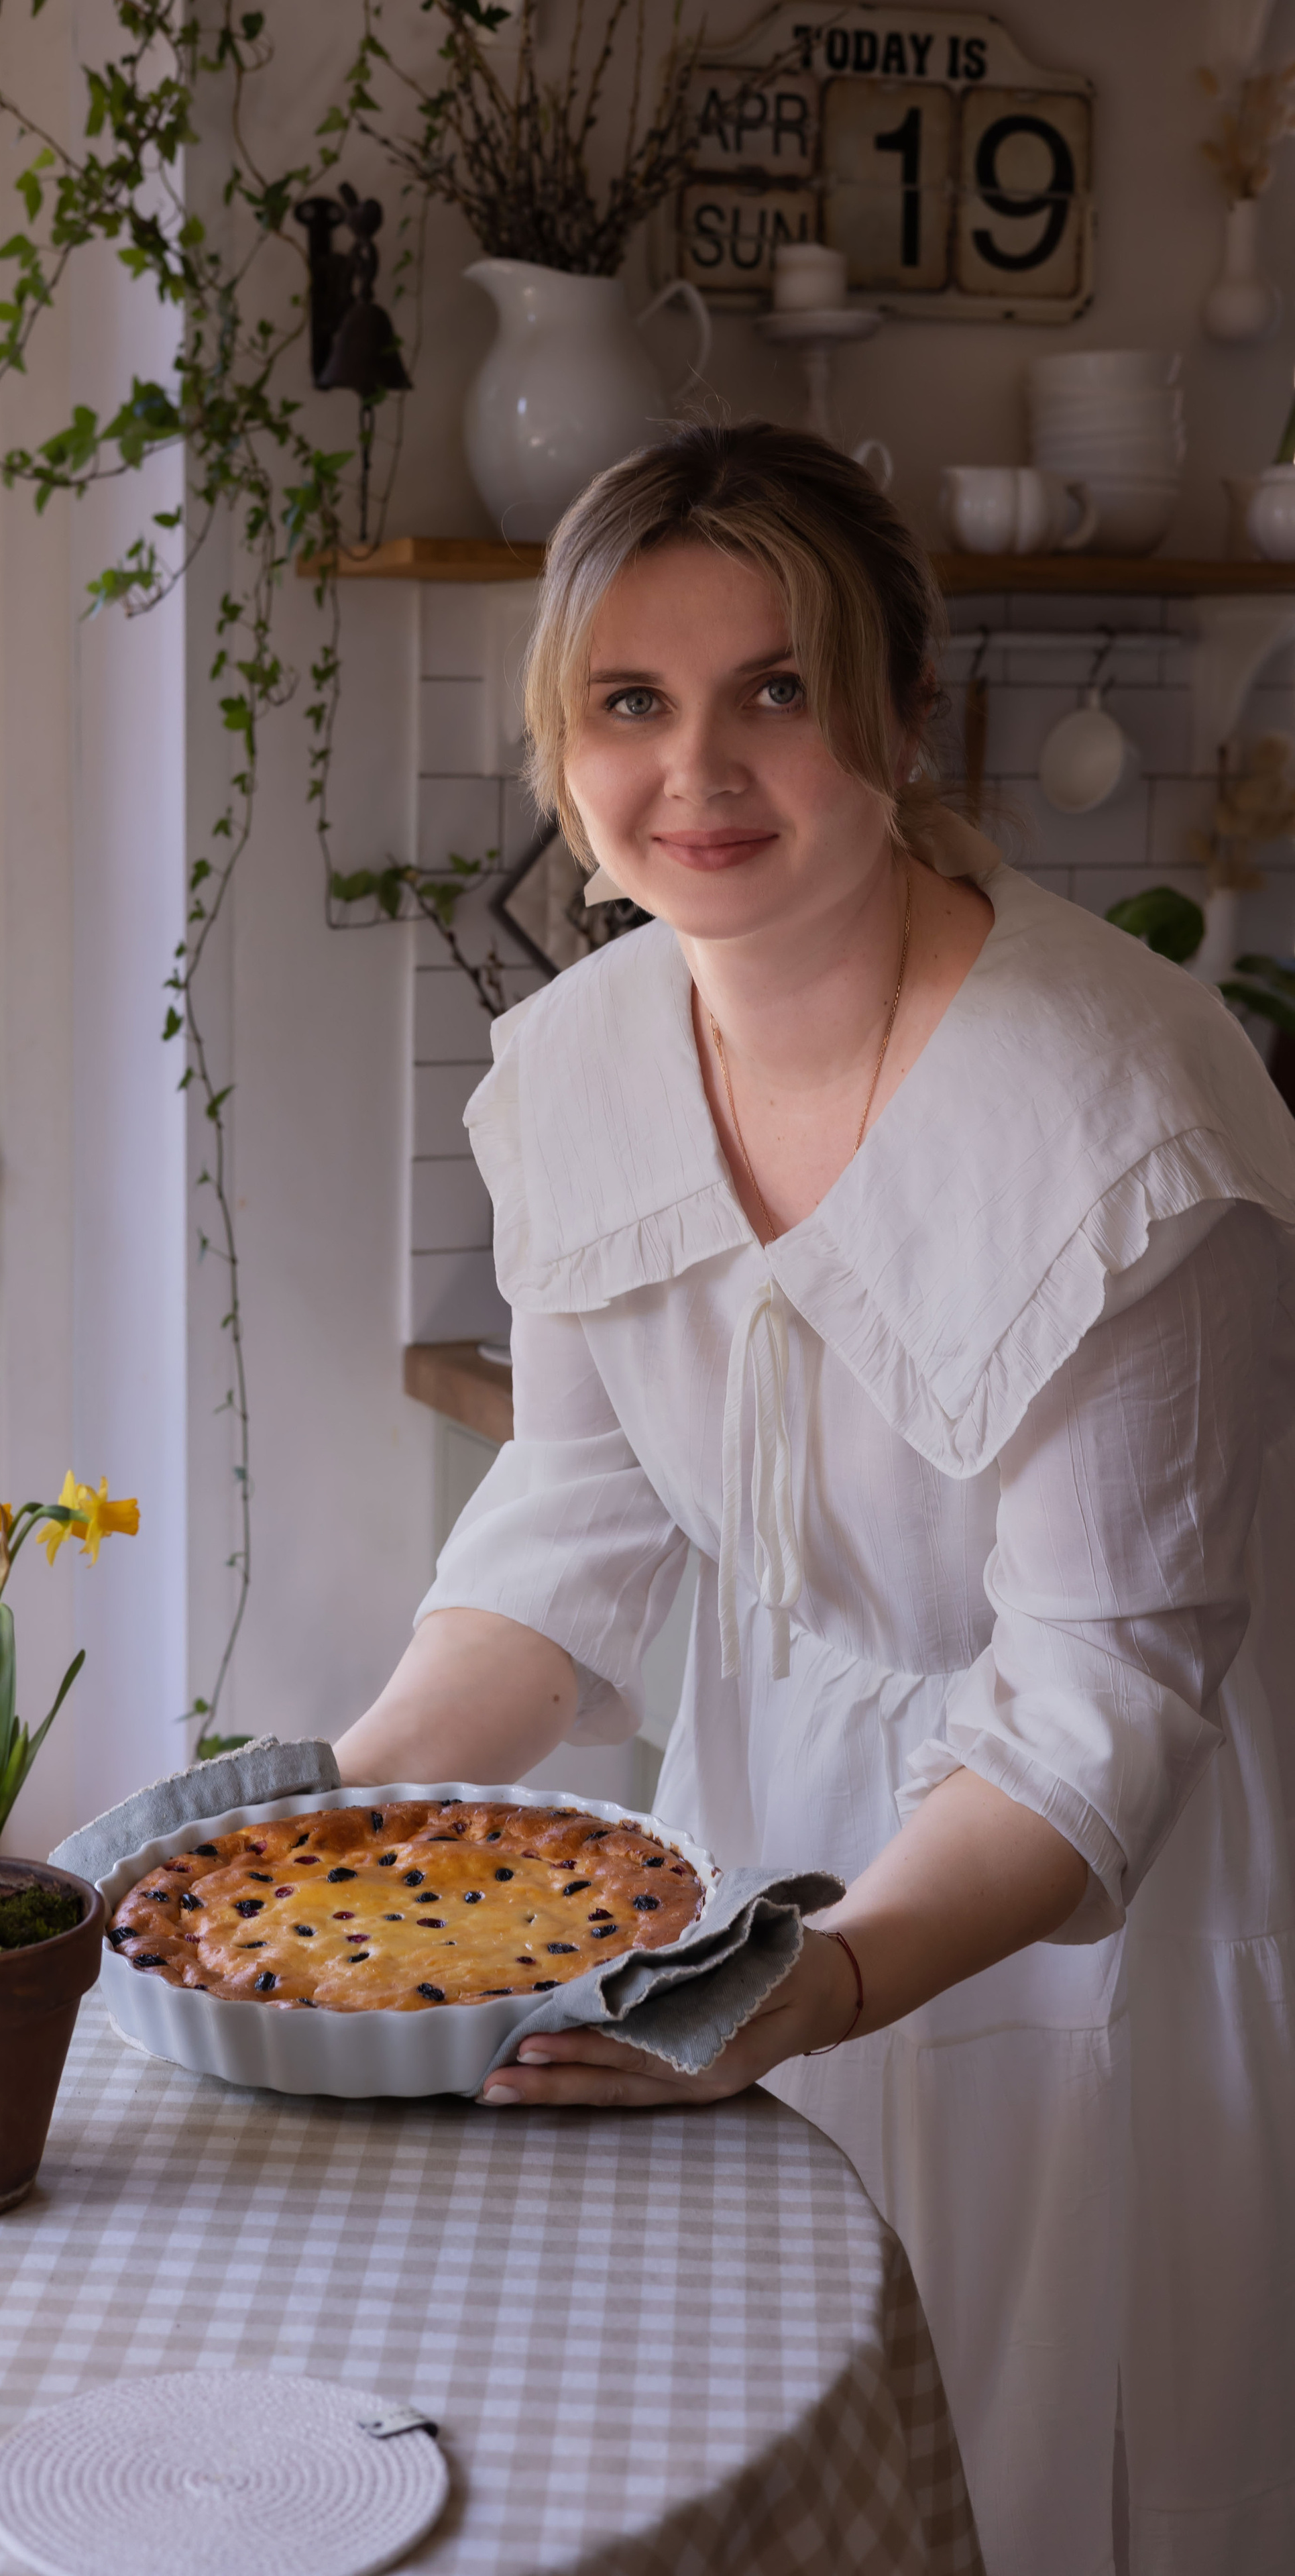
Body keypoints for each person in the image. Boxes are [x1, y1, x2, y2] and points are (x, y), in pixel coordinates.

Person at [332, 423, 1295, 2576]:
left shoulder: (1118, 1122)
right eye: (630, 701)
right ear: (562, 746)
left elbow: (1096, 1713)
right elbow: (576, 1518)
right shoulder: (575, 1067)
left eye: (775, 687)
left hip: (1088, 1896)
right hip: (753, 1846)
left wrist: (830, 1981)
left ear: (904, 716)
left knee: (1035, 2456)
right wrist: (334, 1809)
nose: (698, 768)